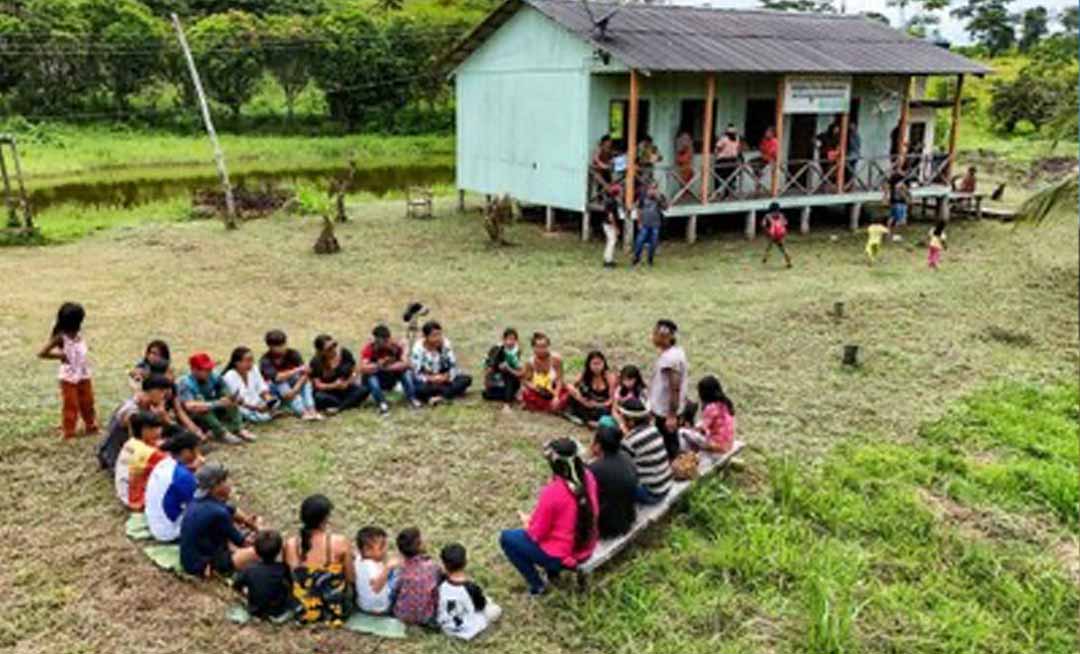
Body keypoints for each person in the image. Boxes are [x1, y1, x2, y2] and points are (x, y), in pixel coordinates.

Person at [499, 438, 599, 596]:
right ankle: (552, 573)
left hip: (564, 556)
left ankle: (537, 586)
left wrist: (528, 522)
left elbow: (536, 534)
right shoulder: (589, 477)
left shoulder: (553, 492)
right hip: (588, 546)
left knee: (507, 538)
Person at [98, 373, 195, 472]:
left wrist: (165, 418)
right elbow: (134, 444)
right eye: (162, 393)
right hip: (120, 457)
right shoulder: (130, 411)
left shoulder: (149, 406)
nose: (163, 398)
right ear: (153, 391)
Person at [179, 462, 261, 578]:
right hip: (201, 565)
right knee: (257, 552)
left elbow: (231, 509)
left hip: (191, 557)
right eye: (225, 481)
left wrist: (248, 521)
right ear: (216, 486)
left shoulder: (199, 500)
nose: (229, 484)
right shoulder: (219, 513)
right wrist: (259, 532)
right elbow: (243, 543)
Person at [284, 494, 354, 625]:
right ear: (325, 519)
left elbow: (289, 576)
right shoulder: (339, 542)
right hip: (333, 611)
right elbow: (350, 578)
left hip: (302, 610)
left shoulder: (290, 544)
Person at [38, 302, 97, 440]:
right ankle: (68, 431)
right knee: (71, 405)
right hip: (69, 377)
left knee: (88, 402)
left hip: (83, 374)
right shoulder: (61, 337)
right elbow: (42, 353)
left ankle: (91, 426)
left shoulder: (78, 334)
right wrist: (61, 356)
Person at [178, 352, 252, 444]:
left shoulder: (214, 375)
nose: (209, 372)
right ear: (194, 370)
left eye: (210, 369)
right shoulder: (185, 383)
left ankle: (238, 428)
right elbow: (190, 406)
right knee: (201, 406)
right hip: (194, 416)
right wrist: (217, 403)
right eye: (205, 370)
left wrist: (231, 398)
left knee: (228, 398)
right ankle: (222, 433)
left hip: (212, 409)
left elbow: (225, 390)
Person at [144, 430, 202, 542]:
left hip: (156, 524)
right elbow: (199, 502)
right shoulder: (183, 476)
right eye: (197, 450)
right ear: (186, 452)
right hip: (170, 531)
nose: (199, 454)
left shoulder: (164, 463)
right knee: (213, 511)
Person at [437, 543, 502, 641]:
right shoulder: (471, 587)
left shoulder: (440, 582)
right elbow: (480, 606)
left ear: (444, 564)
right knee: (495, 609)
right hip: (468, 629)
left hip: (446, 627)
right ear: (465, 562)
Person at [648, 319, 691, 460]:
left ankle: (675, 464)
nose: (652, 336)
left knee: (669, 443)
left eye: (655, 333)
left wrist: (671, 415)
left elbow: (675, 387)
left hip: (665, 411)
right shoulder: (675, 352)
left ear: (665, 336)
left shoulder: (670, 359)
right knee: (667, 440)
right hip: (665, 410)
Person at [619, 398, 674, 505]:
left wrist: (624, 435)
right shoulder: (654, 429)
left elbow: (621, 467)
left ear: (631, 421)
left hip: (652, 494)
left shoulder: (630, 440)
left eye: (623, 418)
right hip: (666, 486)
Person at [233, 530, 296, 621]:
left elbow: (236, 584)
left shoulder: (249, 569)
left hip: (255, 609)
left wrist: (245, 591)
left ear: (256, 550)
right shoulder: (283, 568)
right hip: (278, 610)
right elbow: (291, 584)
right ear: (278, 551)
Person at [588, 424, 638, 539]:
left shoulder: (594, 469)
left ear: (598, 445)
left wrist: (590, 457)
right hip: (628, 519)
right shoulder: (627, 457)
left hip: (607, 528)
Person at [260, 329, 321, 421]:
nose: (282, 348)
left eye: (283, 344)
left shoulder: (293, 354)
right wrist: (296, 370)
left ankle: (312, 409)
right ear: (270, 346)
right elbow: (277, 378)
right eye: (278, 346)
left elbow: (305, 373)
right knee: (282, 384)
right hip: (274, 389)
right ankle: (303, 412)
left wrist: (295, 389)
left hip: (293, 385)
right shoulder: (265, 360)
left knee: (306, 383)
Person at [360, 324, 421, 414]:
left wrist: (387, 367)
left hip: (391, 375)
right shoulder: (369, 348)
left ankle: (412, 399)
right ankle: (382, 403)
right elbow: (363, 368)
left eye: (386, 340)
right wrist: (379, 365)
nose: (385, 343)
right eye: (381, 341)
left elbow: (407, 364)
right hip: (378, 376)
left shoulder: (396, 347)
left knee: (406, 373)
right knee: (371, 378)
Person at [114, 411, 167, 511]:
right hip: (136, 499)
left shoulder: (131, 442)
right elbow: (176, 464)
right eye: (154, 428)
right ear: (144, 430)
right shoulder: (147, 452)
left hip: (125, 491)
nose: (159, 431)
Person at [410, 320, 473, 405]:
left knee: (466, 379)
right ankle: (446, 394)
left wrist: (446, 377)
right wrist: (432, 379)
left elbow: (453, 366)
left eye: (439, 334)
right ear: (425, 336)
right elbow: (416, 373)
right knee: (418, 388)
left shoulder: (445, 344)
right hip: (429, 381)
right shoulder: (418, 349)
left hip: (444, 379)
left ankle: (438, 397)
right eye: (434, 336)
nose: (438, 338)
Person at [393, 527, 442, 626]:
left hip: (401, 614)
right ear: (420, 545)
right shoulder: (432, 567)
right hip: (425, 616)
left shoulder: (400, 569)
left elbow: (396, 589)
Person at [309, 334, 368, 413]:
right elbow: (318, 385)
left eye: (334, 345)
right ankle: (348, 403)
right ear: (321, 352)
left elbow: (354, 370)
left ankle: (339, 407)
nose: (333, 349)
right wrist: (334, 385)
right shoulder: (316, 362)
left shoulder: (344, 353)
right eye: (329, 349)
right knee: (319, 397)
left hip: (345, 388)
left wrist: (347, 382)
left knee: (363, 390)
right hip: (328, 391)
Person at [678, 375, 736, 454]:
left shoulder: (711, 408)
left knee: (681, 432)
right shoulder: (726, 403)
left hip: (717, 446)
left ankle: (685, 453)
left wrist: (689, 428)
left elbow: (702, 428)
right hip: (728, 443)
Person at [354, 526, 401, 615]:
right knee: (398, 576)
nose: (385, 549)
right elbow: (376, 588)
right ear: (367, 550)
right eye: (382, 547)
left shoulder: (358, 559)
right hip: (380, 609)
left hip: (363, 605)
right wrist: (388, 567)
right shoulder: (371, 568)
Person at [222, 346, 276, 424]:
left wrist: (268, 400)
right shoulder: (229, 376)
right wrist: (257, 408)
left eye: (252, 360)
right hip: (243, 407)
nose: (251, 363)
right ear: (237, 363)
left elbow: (261, 387)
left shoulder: (254, 369)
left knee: (274, 403)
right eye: (248, 360)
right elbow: (237, 400)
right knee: (262, 418)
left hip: (257, 402)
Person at [520, 332, 568, 413]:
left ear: (548, 346)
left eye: (544, 347)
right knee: (526, 393)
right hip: (539, 391)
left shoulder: (556, 359)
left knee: (567, 392)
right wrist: (535, 388)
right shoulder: (530, 362)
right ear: (533, 347)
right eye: (538, 347)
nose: (541, 350)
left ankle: (548, 406)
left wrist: (556, 396)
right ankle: (546, 406)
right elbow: (525, 380)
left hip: (554, 389)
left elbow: (560, 380)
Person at [567, 350, 617, 427]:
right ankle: (586, 420)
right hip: (588, 401)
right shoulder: (586, 374)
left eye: (599, 363)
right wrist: (582, 400)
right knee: (572, 397)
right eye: (594, 364)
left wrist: (596, 404)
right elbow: (571, 386)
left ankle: (588, 421)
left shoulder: (609, 377)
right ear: (589, 364)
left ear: (604, 363)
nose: (597, 367)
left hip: (602, 404)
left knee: (605, 411)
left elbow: (611, 400)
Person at [482, 327, 524, 409]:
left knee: (508, 376)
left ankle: (507, 403)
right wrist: (490, 373)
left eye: (513, 340)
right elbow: (488, 369)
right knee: (486, 394)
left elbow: (520, 373)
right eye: (508, 339)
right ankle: (510, 394)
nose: (510, 342)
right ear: (503, 340)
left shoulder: (516, 352)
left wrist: (508, 368)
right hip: (498, 380)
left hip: (511, 379)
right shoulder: (497, 349)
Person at [632, 183, 666, 268]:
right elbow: (638, 210)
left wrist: (659, 199)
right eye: (651, 189)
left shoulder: (660, 197)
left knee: (653, 243)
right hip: (644, 224)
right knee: (639, 242)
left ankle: (650, 260)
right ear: (648, 189)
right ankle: (636, 259)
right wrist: (639, 222)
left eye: (654, 189)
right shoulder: (642, 197)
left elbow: (665, 207)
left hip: (656, 224)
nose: (652, 191)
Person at [612, 364, 647, 434]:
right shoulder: (619, 390)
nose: (627, 383)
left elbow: (647, 410)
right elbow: (614, 410)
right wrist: (622, 425)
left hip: (638, 419)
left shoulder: (643, 391)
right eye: (624, 380)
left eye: (630, 380)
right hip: (623, 418)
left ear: (636, 379)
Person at [713, 124, 742, 199]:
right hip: (731, 160)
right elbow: (738, 149)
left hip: (723, 160)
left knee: (720, 178)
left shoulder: (724, 138)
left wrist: (717, 154)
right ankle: (725, 194)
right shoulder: (736, 138)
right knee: (728, 178)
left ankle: (719, 193)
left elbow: (717, 148)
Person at [761, 202, 792, 268]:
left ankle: (765, 257)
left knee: (769, 246)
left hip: (771, 235)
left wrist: (767, 231)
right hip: (780, 235)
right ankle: (789, 262)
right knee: (784, 249)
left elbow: (763, 225)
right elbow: (785, 223)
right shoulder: (781, 215)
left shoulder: (767, 216)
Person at [601, 183, 622, 269]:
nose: (622, 192)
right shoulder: (612, 202)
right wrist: (616, 228)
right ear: (617, 193)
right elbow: (611, 216)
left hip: (607, 223)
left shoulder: (609, 200)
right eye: (620, 191)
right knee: (612, 242)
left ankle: (608, 259)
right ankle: (608, 262)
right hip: (609, 224)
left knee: (611, 241)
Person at [885, 171, 909, 237]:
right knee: (900, 220)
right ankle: (895, 234)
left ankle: (888, 232)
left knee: (892, 218)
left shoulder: (891, 185)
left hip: (893, 202)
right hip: (901, 203)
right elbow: (904, 193)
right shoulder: (900, 185)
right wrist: (906, 198)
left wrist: (887, 199)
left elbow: (888, 192)